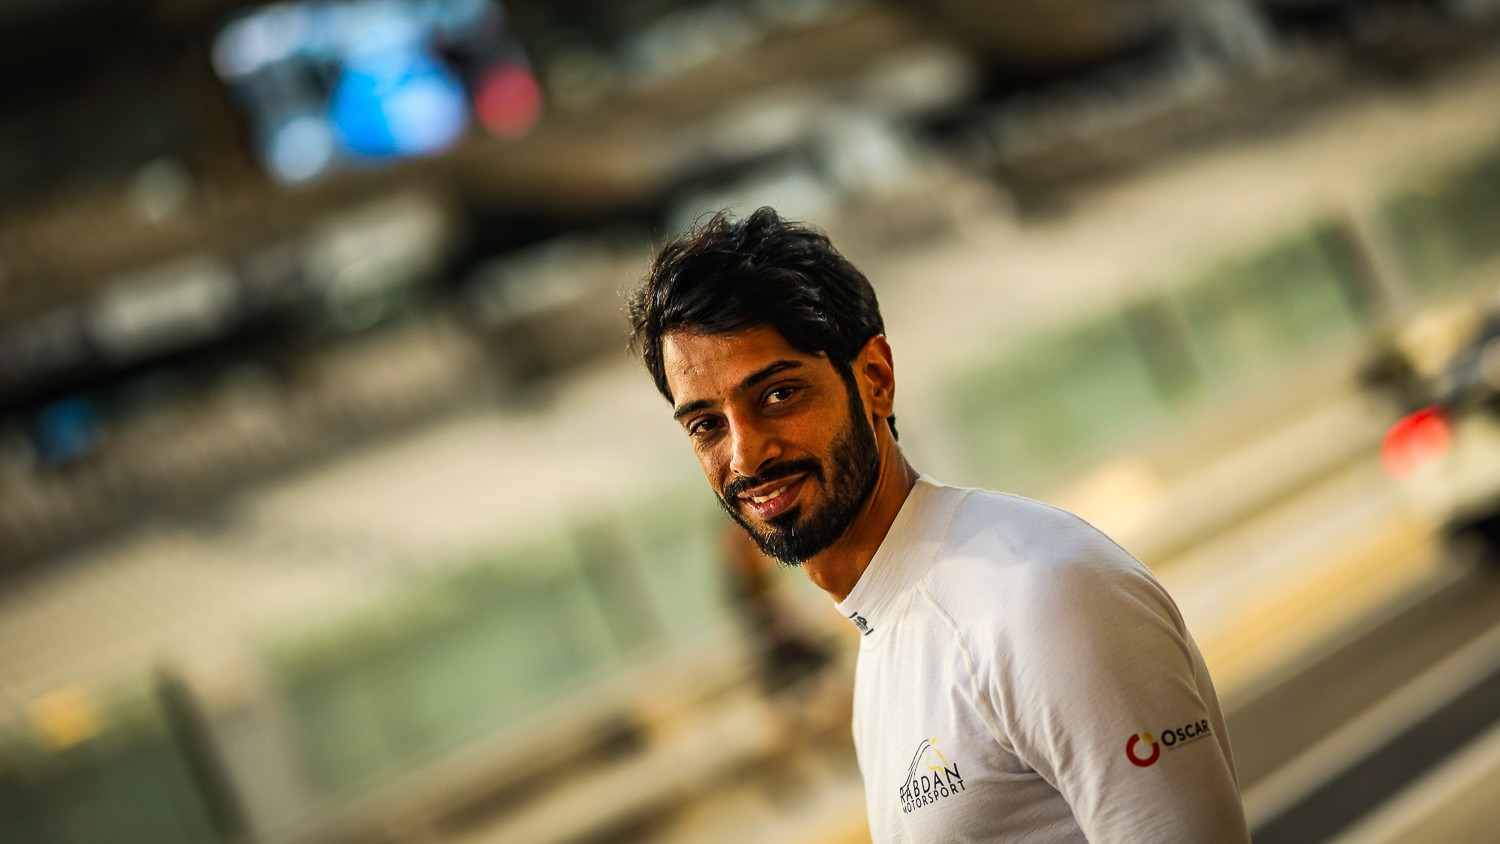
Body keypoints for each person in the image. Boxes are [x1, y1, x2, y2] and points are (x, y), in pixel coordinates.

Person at [627, 207, 1251, 843]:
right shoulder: (886, 630)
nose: (744, 454)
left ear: (875, 379)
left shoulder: (1042, 596)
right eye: (706, 424)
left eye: (779, 394)